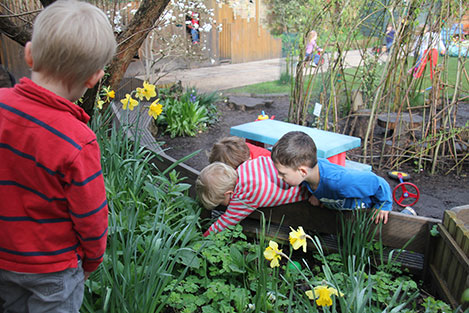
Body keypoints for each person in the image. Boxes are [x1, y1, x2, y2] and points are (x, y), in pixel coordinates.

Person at [0, 1, 116, 312]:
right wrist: (92, 260)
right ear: (94, 78)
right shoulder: (77, 141)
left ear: (28, 54)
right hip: (53, 271)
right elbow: (91, 218)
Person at [271, 131, 392, 224]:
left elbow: (378, 182)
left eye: (282, 173)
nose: (279, 176)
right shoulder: (309, 176)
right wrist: (317, 194)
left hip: (368, 214)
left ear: (302, 171)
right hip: (344, 217)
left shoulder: (340, 182)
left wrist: (384, 204)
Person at [196, 157, 307, 237]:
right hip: (298, 170)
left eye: (220, 203)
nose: (222, 206)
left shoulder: (243, 195)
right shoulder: (245, 166)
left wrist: (204, 237)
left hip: (305, 190)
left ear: (228, 193)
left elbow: (225, 222)